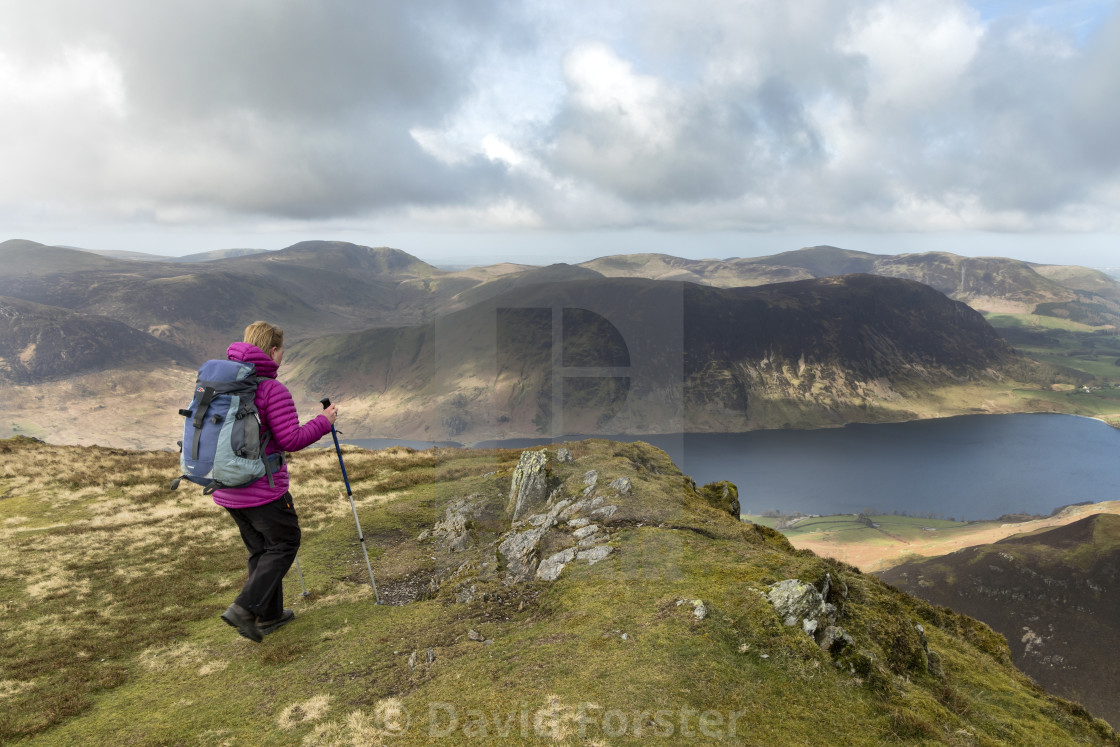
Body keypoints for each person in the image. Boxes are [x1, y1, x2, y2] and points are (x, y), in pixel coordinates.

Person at [214, 321, 337, 642]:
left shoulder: (222, 382)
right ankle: (244, 609)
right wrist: (323, 422)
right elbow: (291, 439)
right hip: (262, 490)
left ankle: (268, 616)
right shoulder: (270, 389)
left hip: (226, 489)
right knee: (284, 543)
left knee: (260, 550)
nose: (282, 356)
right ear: (273, 351)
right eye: (282, 351)